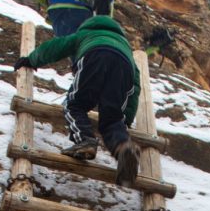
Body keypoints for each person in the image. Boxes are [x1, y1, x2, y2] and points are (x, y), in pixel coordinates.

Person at [14, 15, 142, 187]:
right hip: (124, 67)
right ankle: (123, 148)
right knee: (112, 119)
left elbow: (55, 47)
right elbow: (135, 84)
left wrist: (31, 59)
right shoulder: (124, 45)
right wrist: (126, 117)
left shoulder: (85, 35)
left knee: (75, 105)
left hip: (93, 55)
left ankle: (85, 141)